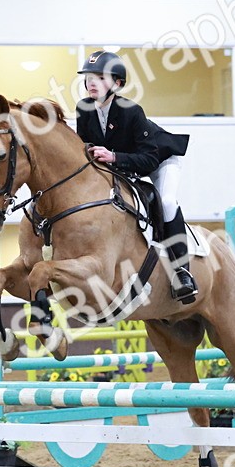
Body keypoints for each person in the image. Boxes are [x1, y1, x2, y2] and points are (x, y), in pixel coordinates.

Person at [74, 50, 196, 304]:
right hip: (120, 163)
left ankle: (182, 271)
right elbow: (83, 149)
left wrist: (115, 157)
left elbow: (149, 159)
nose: (91, 82)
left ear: (117, 83)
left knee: (167, 202)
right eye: (88, 77)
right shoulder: (84, 108)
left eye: (99, 77)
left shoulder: (131, 111)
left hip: (158, 160)